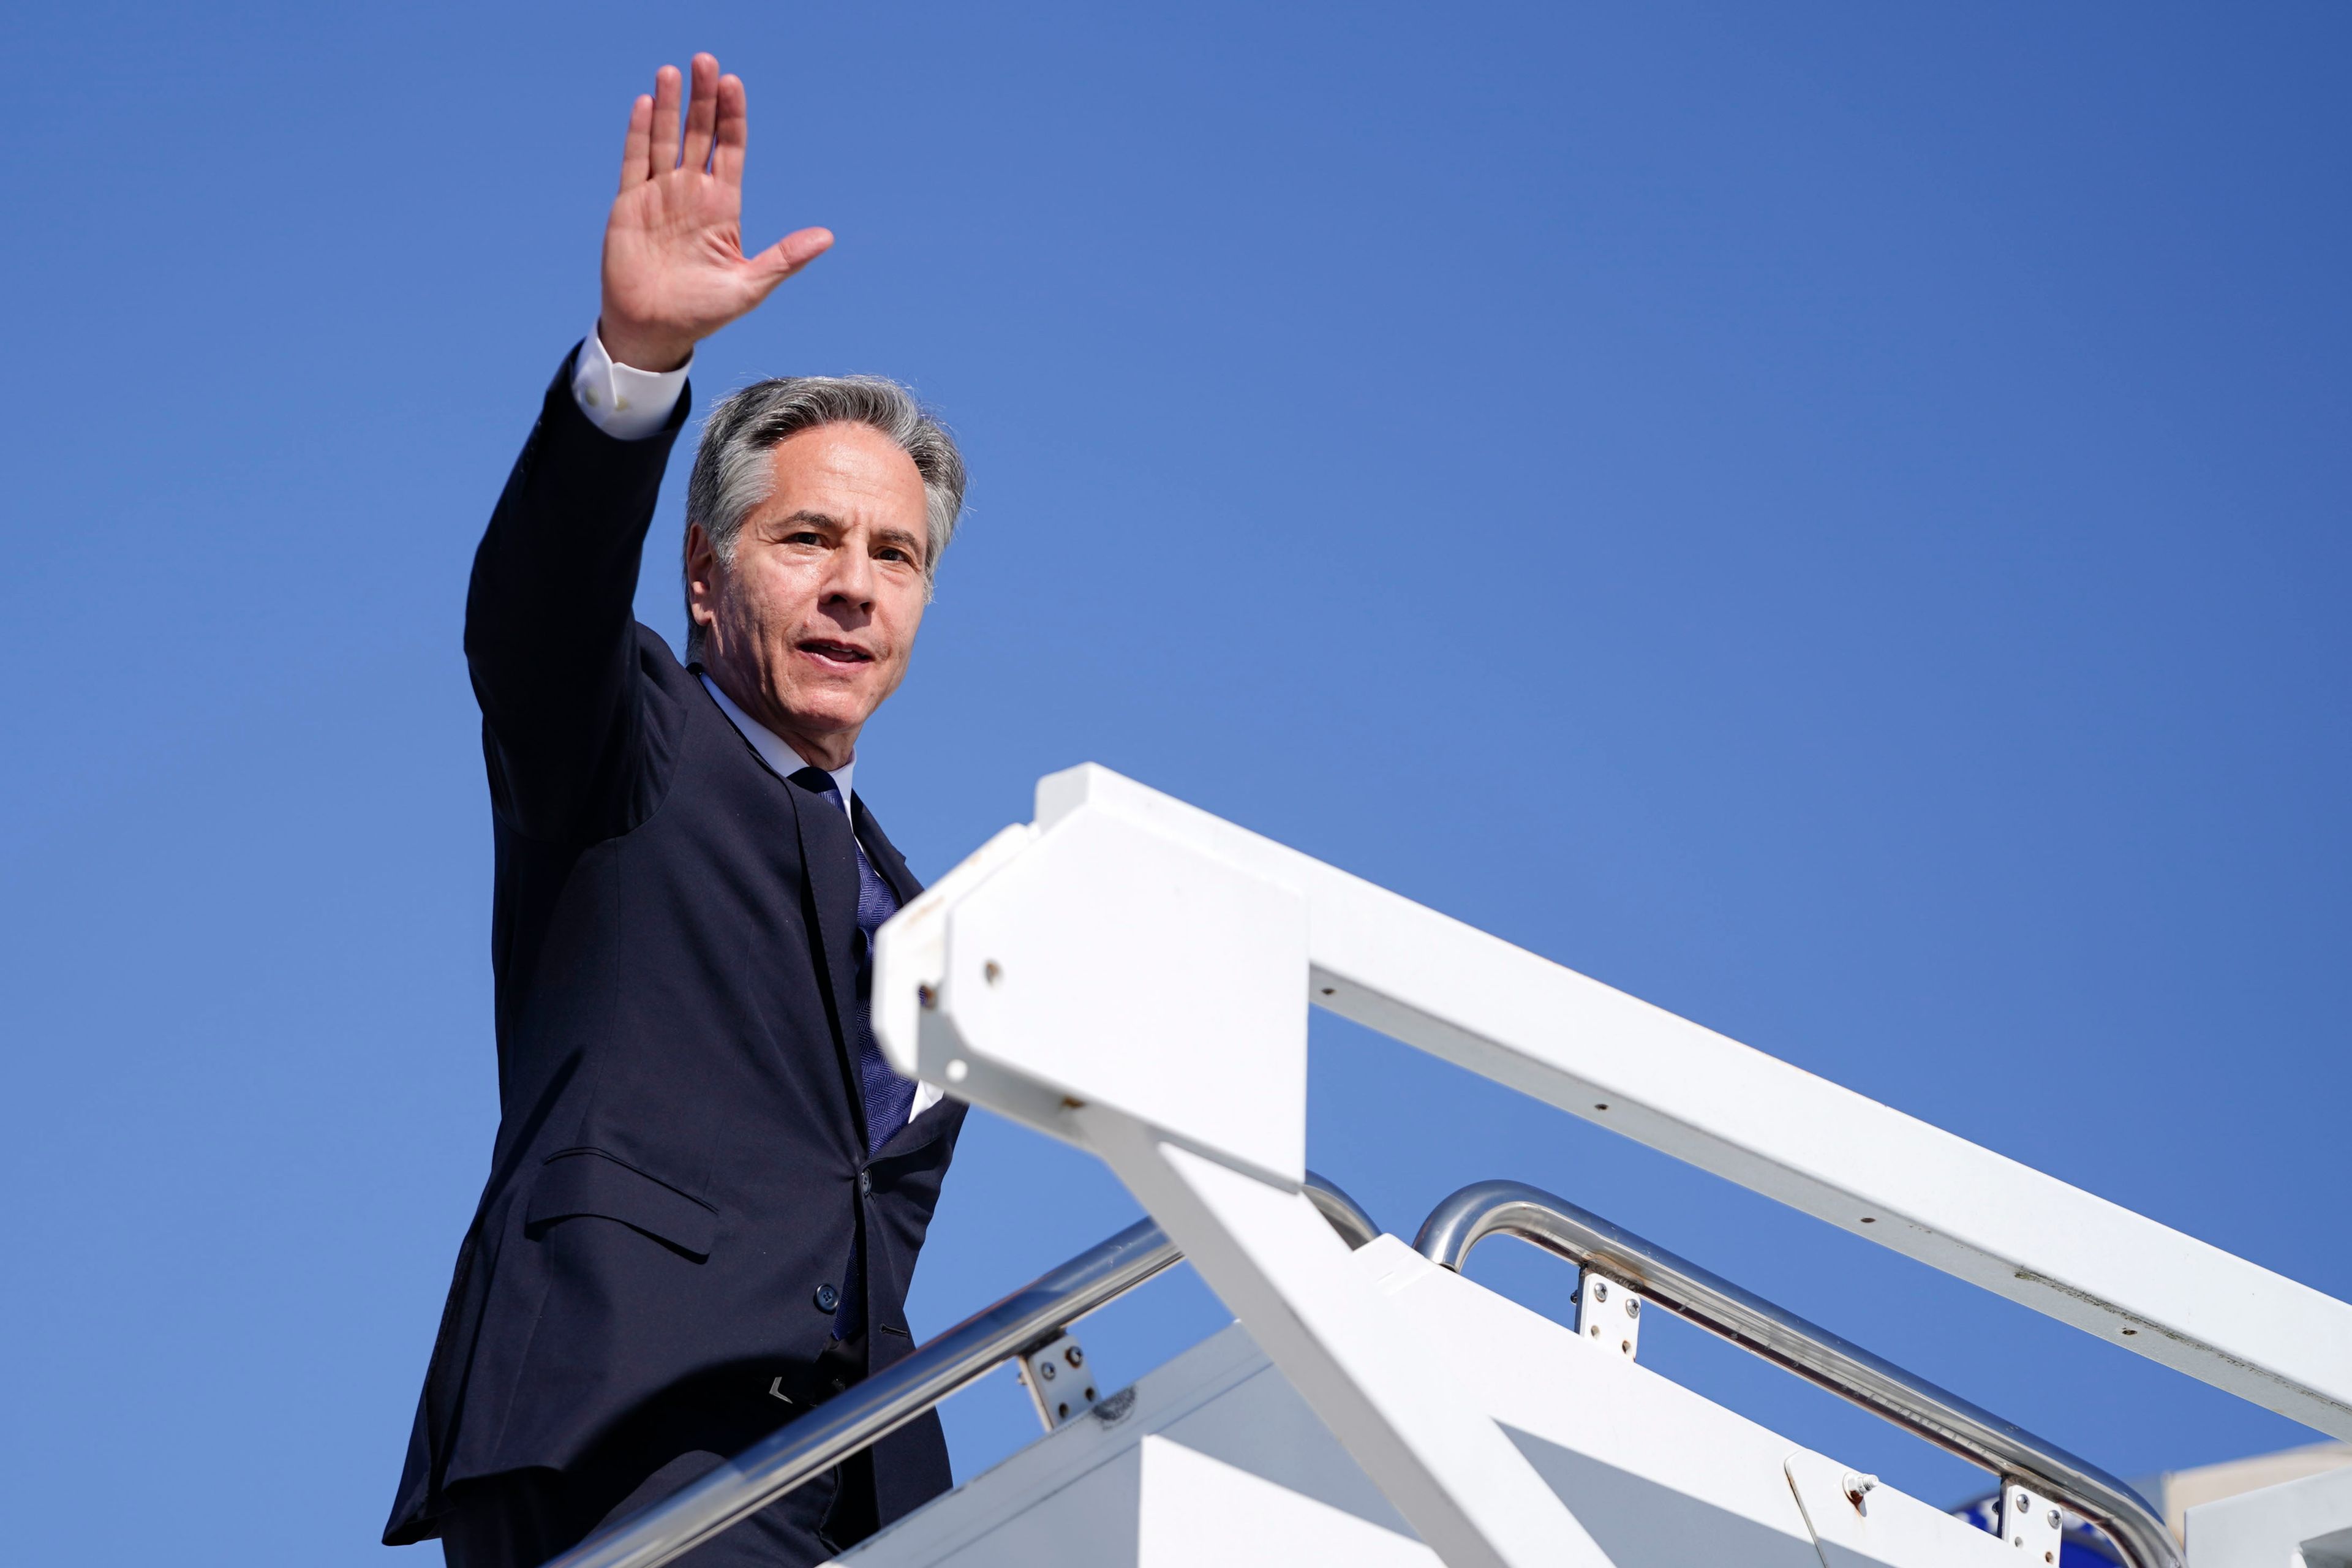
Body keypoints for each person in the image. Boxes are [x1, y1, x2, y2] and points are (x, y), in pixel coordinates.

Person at [382, 53, 970, 1567]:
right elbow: (535, 610)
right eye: (809, 538)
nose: (855, 581)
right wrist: (634, 364)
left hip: (860, 1492)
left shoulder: (925, 910)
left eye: (896, 556)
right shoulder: (629, 741)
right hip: (617, 1433)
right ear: (706, 579)